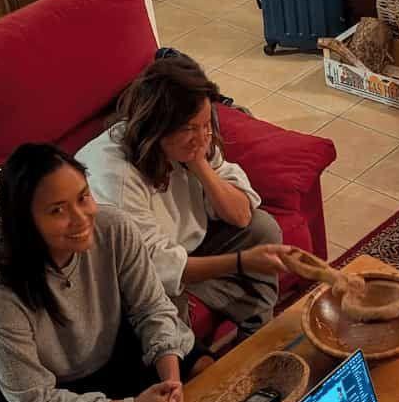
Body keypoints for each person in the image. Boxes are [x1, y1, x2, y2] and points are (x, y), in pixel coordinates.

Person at [0, 144, 208, 402]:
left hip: (100, 344)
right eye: (57, 211)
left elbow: (153, 309)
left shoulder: (114, 227)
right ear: (25, 221)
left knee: (200, 368)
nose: (81, 218)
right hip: (28, 383)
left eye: (83, 197)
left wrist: (171, 384)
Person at [77, 57, 290, 340]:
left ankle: (256, 332)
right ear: (157, 128)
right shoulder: (117, 178)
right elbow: (154, 267)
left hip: (184, 247)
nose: (202, 137)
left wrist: (198, 163)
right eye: (190, 128)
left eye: (206, 125)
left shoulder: (194, 143)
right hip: (134, 272)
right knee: (162, 311)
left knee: (263, 228)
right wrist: (241, 262)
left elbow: (241, 215)